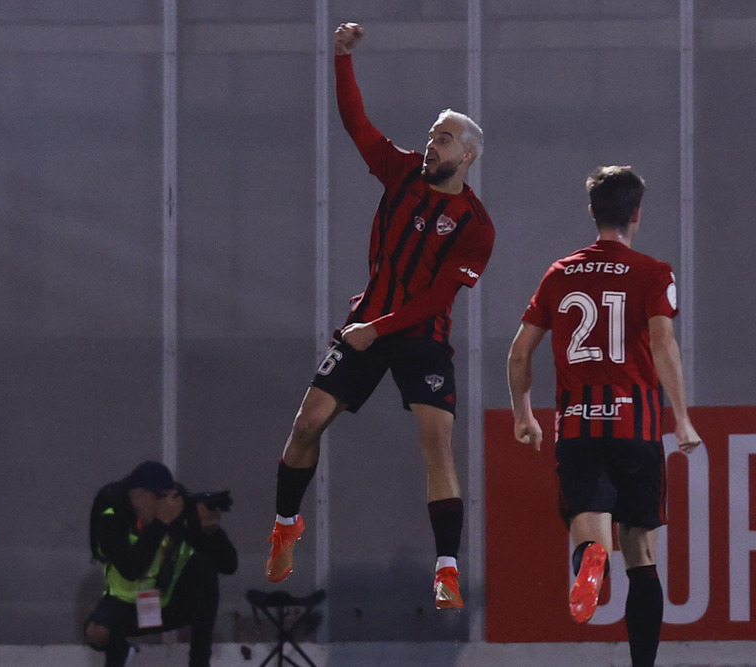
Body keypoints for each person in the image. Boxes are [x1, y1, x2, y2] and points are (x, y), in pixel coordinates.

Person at [265, 21, 495, 613]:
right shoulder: (400, 172)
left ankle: (446, 569)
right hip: (368, 326)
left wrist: (377, 327)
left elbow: (436, 300)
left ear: (466, 155)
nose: (431, 144)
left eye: (443, 139)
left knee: (436, 444)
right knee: (306, 424)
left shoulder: (476, 227)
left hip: (418, 337)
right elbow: (356, 124)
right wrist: (342, 59)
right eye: (430, 135)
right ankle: (286, 524)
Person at [506, 166, 702, 666]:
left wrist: (523, 415)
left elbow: (519, 353)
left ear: (593, 211)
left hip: (577, 427)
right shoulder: (655, 272)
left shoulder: (560, 273)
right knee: (642, 556)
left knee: (588, 525)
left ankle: (591, 557)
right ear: (636, 213)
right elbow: (663, 344)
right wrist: (681, 418)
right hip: (634, 428)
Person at [84, 461, 238, 667]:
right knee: (96, 634)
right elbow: (131, 569)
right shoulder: (111, 515)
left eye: (166, 497)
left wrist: (211, 533)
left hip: (163, 602)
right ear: (138, 494)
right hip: (125, 604)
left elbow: (228, 565)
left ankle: (199, 663)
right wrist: (160, 523)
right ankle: (119, 652)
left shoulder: (176, 510)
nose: (162, 504)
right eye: (157, 497)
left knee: (206, 573)